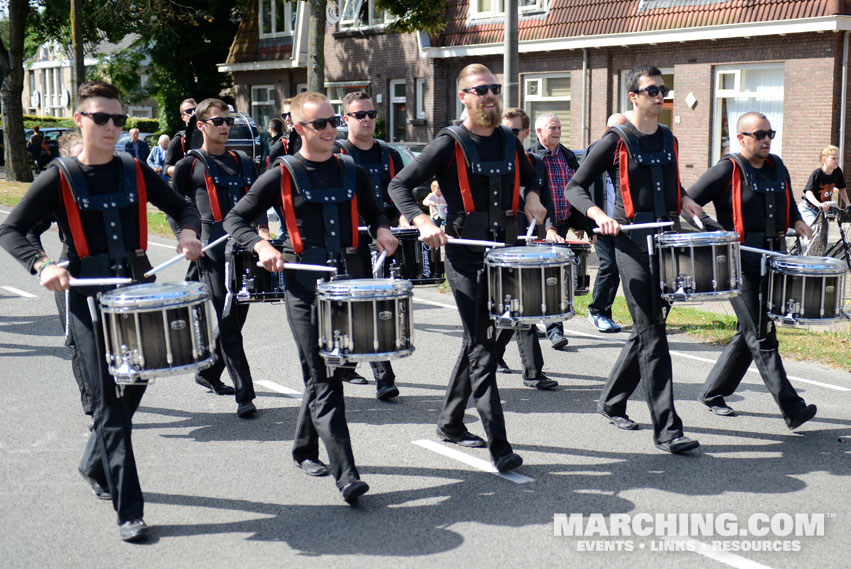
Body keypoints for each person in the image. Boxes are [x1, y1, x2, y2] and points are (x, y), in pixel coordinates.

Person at [0, 81, 203, 541]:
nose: (111, 127)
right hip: (84, 295)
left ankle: (94, 461)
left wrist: (188, 232)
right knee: (110, 401)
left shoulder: (135, 169)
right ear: (80, 121)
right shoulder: (59, 176)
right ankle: (129, 509)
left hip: (135, 288)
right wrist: (41, 264)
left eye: (118, 119)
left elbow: (181, 206)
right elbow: (12, 230)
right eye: (100, 118)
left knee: (136, 382)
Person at [223, 91, 397, 503]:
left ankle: (303, 447)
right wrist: (261, 245)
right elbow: (235, 218)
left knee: (328, 374)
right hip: (302, 285)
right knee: (322, 375)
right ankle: (347, 473)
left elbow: (375, 212)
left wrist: (383, 229)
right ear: (298, 128)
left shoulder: (350, 168)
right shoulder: (281, 172)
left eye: (333, 121)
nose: (331, 129)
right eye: (320, 123)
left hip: (347, 281)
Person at [388, 63, 547, 472]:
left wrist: (532, 197)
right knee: (481, 344)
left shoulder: (511, 141)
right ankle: (500, 445)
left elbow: (535, 178)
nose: (489, 95)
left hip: (509, 253)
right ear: (464, 97)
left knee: (490, 341)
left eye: (494, 88)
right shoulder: (449, 142)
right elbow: (399, 185)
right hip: (465, 255)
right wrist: (421, 220)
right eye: (480, 90)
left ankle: (450, 421)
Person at [565, 65, 703, 454]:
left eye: (664, 89)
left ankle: (611, 400)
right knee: (655, 334)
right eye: (653, 90)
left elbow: (669, 185)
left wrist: (687, 199)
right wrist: (598, 215)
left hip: (668, 241)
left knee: (647, 327)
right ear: (634, 97)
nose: (660, 95)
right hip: (630, 242)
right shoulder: (616, 139)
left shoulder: (668, 139)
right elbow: (574, 187)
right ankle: (668, 428)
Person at [688, 111, 817, 430]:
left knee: (750, 330)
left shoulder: (777, 166)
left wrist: (797, 221)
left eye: (770, 133)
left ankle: (712, 392)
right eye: (759, 134)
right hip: (737, 262)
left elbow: (787, 202)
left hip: (773, 257)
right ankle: (792, 407)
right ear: (741, 137)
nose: (766, 140)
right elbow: (688, 202)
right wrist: (716, 230)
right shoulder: (726, 168)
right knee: (761, 333)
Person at [173, 98, 265, 417]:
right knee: (228, 322)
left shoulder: (242, 161)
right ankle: (245, 395)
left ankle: (209, 372)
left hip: (243, 248)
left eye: (228, 121)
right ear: (201, 126)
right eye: (218, 122)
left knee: (236, 318)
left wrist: (263, 232)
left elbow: (258, 200)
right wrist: (186, 237)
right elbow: (175, 208)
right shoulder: (189, 164)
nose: (225, 127)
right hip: (211, 251)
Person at [333, 90, 405, 398]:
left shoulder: (390, 154)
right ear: (345, 119)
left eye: (371, 115)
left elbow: (402, 192)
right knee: (360, 305)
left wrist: (405, 219)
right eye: (360, 115)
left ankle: (359, 368)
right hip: (351, 240)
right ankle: (377, 374)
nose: (367, 120)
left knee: (376, 305)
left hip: (386, 236)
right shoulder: (336, 153)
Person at [494, 107, 557, 390]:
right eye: (502, 131)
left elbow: (545, 199)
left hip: (525, 237)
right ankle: (530, 371)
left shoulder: (533, 162)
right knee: (518, 304)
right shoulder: (493, 157)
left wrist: (551, 228)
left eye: (513, 132)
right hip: (497, 240)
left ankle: (496, 357)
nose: (506, 137)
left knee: (520, 303)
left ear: (525, 133)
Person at [529, 113, 587, 350]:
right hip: (539, 226)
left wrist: (581, 223)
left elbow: (576, 190)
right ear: (539, 131)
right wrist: (547, 226)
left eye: (559, 127)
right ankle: (533, 327)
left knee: (555, 278)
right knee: (539, 278)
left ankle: (554, 330)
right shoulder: (531, 157)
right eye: (552, 127)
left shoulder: (567, 156)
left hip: (562, 225)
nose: (557, 131)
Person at [586, 113, 628, 333]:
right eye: (616, 129)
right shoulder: (597, 150)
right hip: (600, 222)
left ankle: (606, 312)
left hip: (622, 224)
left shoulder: (629, 152)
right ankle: (596, 311)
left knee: (619, 268)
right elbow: (583, 188)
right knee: (608, 265)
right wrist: (587, 224)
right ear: (607, 129)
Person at [797, 145, 849, 254]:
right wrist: (818, 204)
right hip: (808, 208)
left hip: (822, 211)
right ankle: (807, 257)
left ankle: (819, 260)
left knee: (824, 236)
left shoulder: (837, 172)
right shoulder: (817, 173)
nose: (836, 161)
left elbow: (841, 188)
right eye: (833, 158)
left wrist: (848, 204)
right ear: (824, 160)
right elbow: (808, 192)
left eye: (838, 158)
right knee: (816, 230)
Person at [164, 97, 197, 179]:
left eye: (196, 110)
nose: (193, 113)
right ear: (183, 117)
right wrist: (183, 169)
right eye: (189, 111)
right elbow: (165, 169)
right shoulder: (178, 140)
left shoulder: (209, 135)